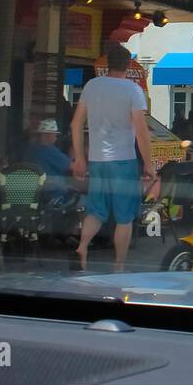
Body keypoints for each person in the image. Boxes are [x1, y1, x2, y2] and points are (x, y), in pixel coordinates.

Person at [70, 44, 154, 272]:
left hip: (97, 160)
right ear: (128, 65)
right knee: (124, 217)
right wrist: (148, 162)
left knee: (96, 211)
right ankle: (119, 266)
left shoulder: (91, 86)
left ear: (108, 63)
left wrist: (79, 157)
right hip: (123, 160)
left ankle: (83, 246)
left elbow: (76, 123)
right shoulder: (132, 90)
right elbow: (141, 130)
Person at [26, 118, 74, 200]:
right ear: (46, 135)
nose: (56, 137)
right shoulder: (49, 151)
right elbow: (71, 166)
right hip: (54, 196)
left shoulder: (31, 150)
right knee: (85, 202)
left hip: (36, 196)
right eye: (54, 134)